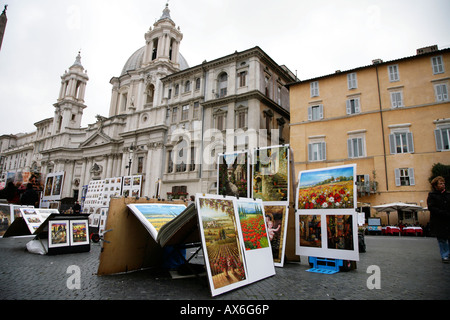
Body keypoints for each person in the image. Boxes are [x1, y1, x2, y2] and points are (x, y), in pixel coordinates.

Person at [427, 176, 450, 263]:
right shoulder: (432, 195)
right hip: (439, 221)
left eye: (443, 183)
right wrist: (443, 212)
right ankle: (445, 255)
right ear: (435, 186)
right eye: (440, 183)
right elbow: (431, 207)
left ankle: (448, 254)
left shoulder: (448, 195)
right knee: (442, 239)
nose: (443, 185)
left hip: (448, 220)